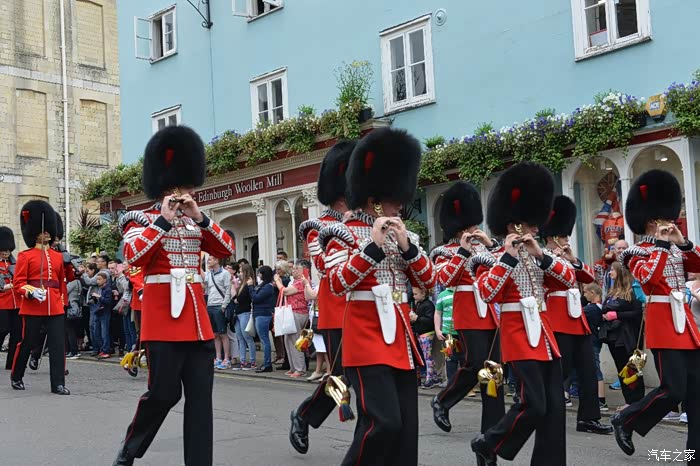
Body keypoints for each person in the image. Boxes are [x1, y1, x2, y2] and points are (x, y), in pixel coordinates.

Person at [112, 125, 235, 466]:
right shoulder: (140, 219)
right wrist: (163, 220)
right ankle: (131, 446)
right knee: (163, 394)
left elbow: (226, 248)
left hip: (197, 322)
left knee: (200, 402)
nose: (186, 191)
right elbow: (134, 256)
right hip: (163, 320)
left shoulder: (196, 221)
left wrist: (200, 216)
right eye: (181, 186)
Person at [322, 127, 435, 466]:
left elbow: (430, 280)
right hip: (365, 337)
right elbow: (338, 283)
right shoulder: (341, 233)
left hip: (400, 338)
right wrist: (372, 247)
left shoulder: (405, 236)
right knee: (384, 423)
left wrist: (408, 248)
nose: (401, 205)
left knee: (405, 434)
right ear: (374, 200)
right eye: (395, 199)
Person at [470, 162, 575, 466]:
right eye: (531, 224)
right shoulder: (489, 258)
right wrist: (508, 256)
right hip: (517, 334)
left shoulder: (540, 254)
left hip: (544, 334)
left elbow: (568, 279)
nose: (537, 229)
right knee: (535, 404)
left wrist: (540, 254)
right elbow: (488, 293)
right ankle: (489, 441)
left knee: (554, 409)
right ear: (514, 224)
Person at [611, 169, 700, 460]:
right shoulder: (634, 252)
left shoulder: (676, 248)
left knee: (697, 395)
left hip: (685, 323)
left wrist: (682, 241)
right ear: (651, 220)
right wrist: (661, 245)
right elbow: (649, 278)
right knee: (673, 390)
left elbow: (698, 264)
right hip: (663, 321)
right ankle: (626, 419)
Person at [289, 140, 356, 455]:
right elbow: (323, 265)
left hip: (366, 309)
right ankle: (304, 416)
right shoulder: (320, 227)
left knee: (362, 375)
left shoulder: (363, 221)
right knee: (343, 376)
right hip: (337, 311)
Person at [430, 181, 504, 436]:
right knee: (474, 364)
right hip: (467, 311)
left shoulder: (485, 247)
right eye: (469, 226)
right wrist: (462, 251)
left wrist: (491, 245)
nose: (474, 230)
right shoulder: (443, 251)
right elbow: (446, 279)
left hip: (490, 311)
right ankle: (442, 400)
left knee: (493, 367)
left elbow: (504, 270)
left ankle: (493, 426)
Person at [540, 196, 612, 435]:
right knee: (559, 372)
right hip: (558, 318)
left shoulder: (567, 258)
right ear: (552, 237)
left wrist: (573, 259)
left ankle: (588, 418)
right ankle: (541, 410)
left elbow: (590, 278)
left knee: (588, 371)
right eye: (564, 236)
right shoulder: (542, 257)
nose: (567, 239)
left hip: (576, 319)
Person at [11, 200, 69, 395]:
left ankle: (58, 383)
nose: (47, 233)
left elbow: (61, 282)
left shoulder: (58, 257)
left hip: (55, 305)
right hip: (33, 305)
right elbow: (19, 283)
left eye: (48, 231)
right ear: (34, 233)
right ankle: (17, 375)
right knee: (28, 342)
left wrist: (62, 302)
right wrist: (31, 291)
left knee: (57, 345)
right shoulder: (25, 256)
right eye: (43, 231)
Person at [275, 260, 310, 377]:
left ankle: (300, 369)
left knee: (295, 341)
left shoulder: (301, 282)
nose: (293, 271)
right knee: (288, 341)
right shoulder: (294, 281)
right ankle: (293, 367)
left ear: (303, 271)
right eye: (293, 269)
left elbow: (284, 291)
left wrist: (277, 281)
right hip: (292, 312)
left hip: (298, 312)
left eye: (296, 269)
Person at [582, 282, 609, 412]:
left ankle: (601, 400)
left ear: (592, 293)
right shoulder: (598, 308)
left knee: (595, 370)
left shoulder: (591, 309)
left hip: (592, 342)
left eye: (585, 292)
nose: (584, 295)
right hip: (595, 342)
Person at [205, 255, 232, 369]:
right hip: (210, 305)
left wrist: (224, 305)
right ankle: (218, 358)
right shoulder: (209, 274)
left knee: (223, 333)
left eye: (210, 259)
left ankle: (226, 359)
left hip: (219, 306)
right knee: (215, 334)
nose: (208, 261)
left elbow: (228, 290)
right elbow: (206, 288)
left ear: (217, 260)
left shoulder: (225, 273)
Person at [249, 265, 277, 373]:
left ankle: (267, 364)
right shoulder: (262, 285)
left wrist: (250, 287)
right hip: (258, 314)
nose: (258, 274)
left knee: (264, 340)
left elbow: (255, 298)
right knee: (263, 339)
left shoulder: (268, 287)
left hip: (263, 315)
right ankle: (266, 362)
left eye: (260, 273)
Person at [0, 227, 20, 370]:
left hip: (16, 303)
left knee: (17, 333)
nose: (6, 253)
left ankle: (12, 362)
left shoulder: (14, 263)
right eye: (3, 250)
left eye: (8, 250)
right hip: (2, 303)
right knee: (2, 330)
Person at [411, 287, 437, 388]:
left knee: (427, 356)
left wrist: (417, 318)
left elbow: (430, 320)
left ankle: (430, 378)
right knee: (426, 356)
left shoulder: (428, 305)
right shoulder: (418, 304)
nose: (414, 296)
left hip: (427, 332)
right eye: (413, 294)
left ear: (423, 293)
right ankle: (432, 376)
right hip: (421, 332)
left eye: (416, 294)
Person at [232, 263, 256, 371]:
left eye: (241, 271)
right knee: (240, 338)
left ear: (246, 272)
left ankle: (252, 361)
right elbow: (235, 298)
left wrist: (237, 299)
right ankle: (242, 361)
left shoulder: (249, 284)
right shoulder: (242, 284)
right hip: (238, 313)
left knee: (247, 338)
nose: (239, 273)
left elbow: (242, 298)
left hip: (245, 312)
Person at [273, 260, 292, 365]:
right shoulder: (280, 279)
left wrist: (276, 281)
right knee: (280, 336)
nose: (277, 271)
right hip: (279, 307)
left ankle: (286, 359)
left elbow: (282, 289)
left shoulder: (285, 280)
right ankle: (284, 358)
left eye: (279, 269)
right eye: (276, 269)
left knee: (284, 336)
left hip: (284, 308)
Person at [92, 270, 114, 359]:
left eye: (100, 279)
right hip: (98, 311)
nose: (98, 281)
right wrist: (95, 298)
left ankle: (106, 350)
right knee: (96, 332)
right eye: (97, 279)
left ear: (105, 280)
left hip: (105, 312)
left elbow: (108, 301)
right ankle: (102, 349)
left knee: (104, 333)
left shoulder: (108, 289)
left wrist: (99, 297)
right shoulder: (100, 289)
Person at [65, 275, 83, 358]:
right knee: (72, 330)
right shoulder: (78, 282)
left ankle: (73, 351)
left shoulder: (73, 282)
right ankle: (72, 350)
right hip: (76, 307)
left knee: (70, 330)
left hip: (71, 307)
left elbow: (64, 291)